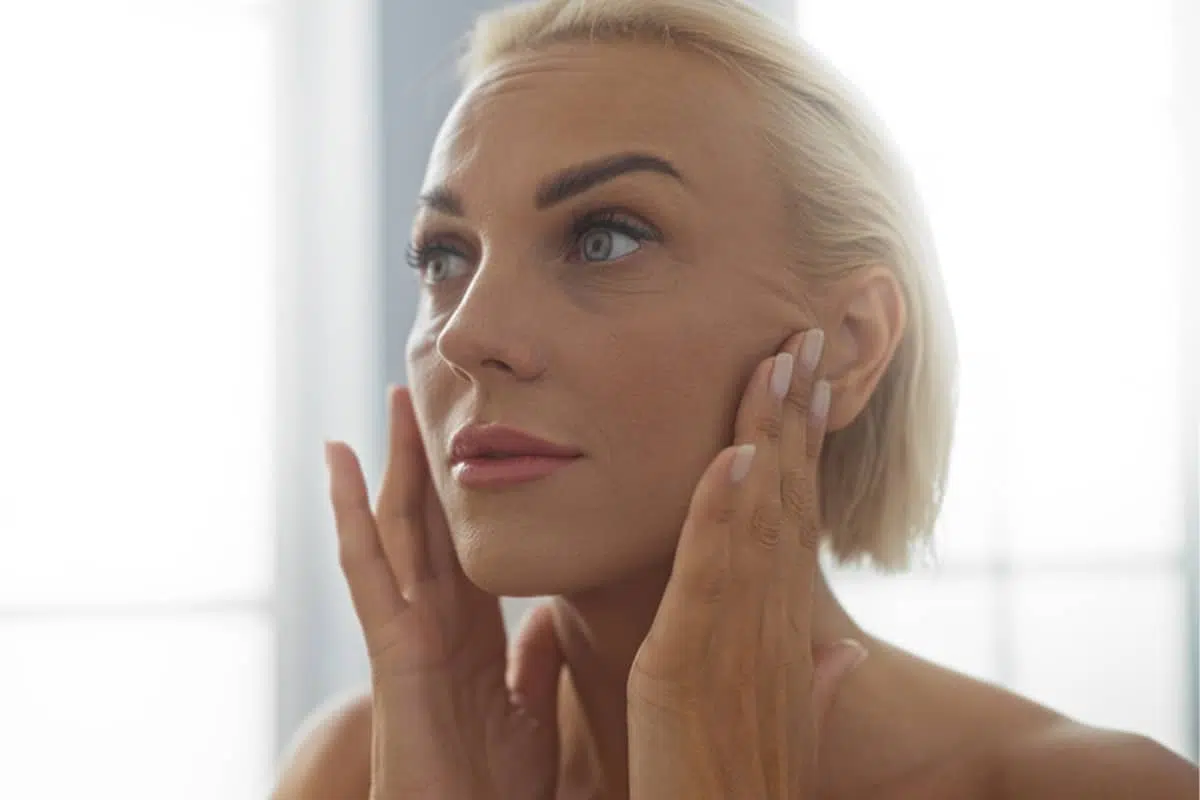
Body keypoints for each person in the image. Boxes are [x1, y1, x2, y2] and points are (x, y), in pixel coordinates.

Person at [272, 0, 1199, 797]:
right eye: (445, 257)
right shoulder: (355, 772)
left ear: (849, 345)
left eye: (603, 239)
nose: (467, 335)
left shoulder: (1086, 789)